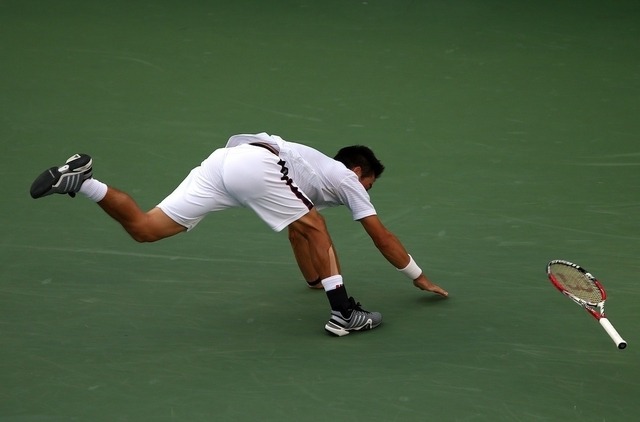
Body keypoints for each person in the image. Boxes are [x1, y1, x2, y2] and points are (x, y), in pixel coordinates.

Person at [30, 132, 448, 336]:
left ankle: (83, 183)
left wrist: (314, 278)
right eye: (370, 182)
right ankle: (344, 313)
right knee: (317, 224)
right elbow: (381, 235)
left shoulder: (312, 181)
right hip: (258, 163)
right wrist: (418, 276)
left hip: (222, 164)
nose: (366, 191)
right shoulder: (347, 178)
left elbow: (297, 235)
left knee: (146, 228)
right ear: (360, 172)